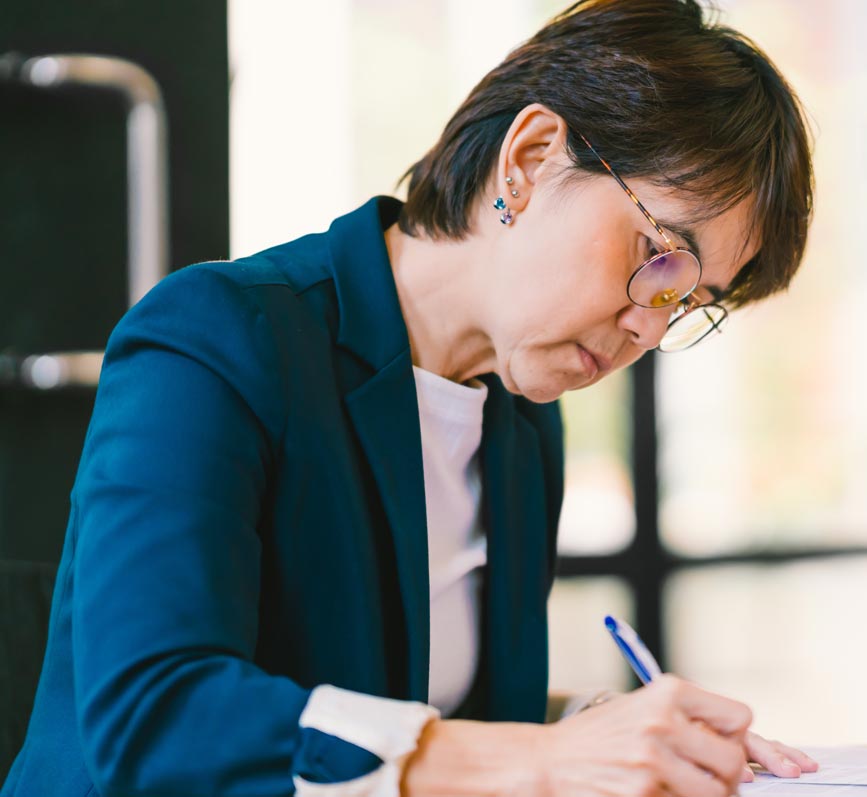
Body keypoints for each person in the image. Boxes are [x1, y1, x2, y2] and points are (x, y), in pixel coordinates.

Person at [0, 1, 817, 795]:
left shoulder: (521, 420)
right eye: (661, 255)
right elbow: (156, 719)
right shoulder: (218, 335)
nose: (645, 327)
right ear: (529, 158)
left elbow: (428, 720)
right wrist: (544, 763)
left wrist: (619, 740)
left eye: (687, 300)